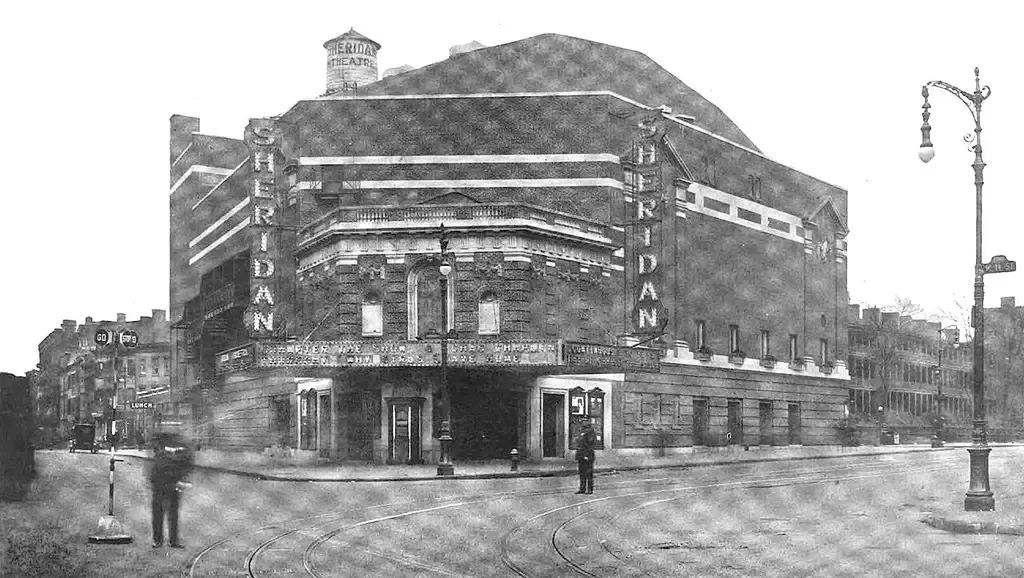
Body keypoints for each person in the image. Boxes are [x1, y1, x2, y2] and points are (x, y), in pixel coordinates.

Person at [148, 430, 194, 548]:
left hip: (165, 481)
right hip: (166, 481)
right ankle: (170, 540)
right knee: (170, 512)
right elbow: (187, 462)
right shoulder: (180, 444)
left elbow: (187, 462)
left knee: (162, 512)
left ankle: (160, 540)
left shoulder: (161, 444)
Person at [575, 420, 597, 495]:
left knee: (589, 473)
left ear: (588, 422)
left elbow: (591, 445)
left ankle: (590, 489)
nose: (583, 422)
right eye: (583, 421)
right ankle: (582, 488)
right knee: (581, 473)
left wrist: (587, 455)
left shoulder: (590, 431)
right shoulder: (581, 431)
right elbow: (579, 442)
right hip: (581, 455)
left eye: (585, 421)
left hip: (588, 455)